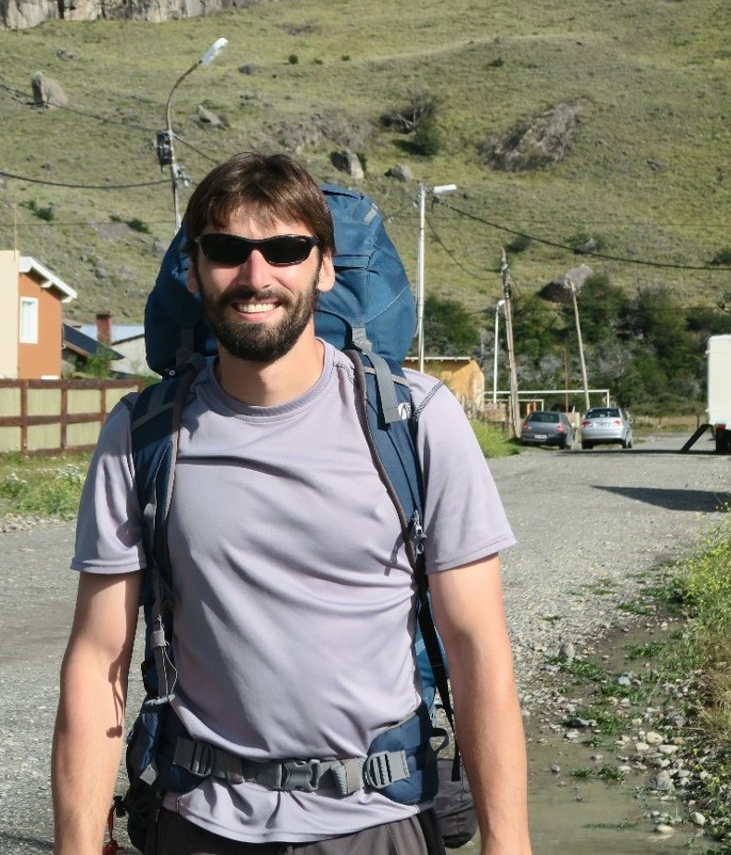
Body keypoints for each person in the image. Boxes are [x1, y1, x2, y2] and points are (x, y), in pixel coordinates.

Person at [52, 152, 532, 855]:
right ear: (193, 269)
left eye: (285, 249)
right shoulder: (142, 434)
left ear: (325, 267)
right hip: (197, 824)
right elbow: (98, 662)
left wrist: (509, 843)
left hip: (379, 824)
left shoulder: (414, 421)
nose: (256, 275)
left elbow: (477, 648)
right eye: (227, 250)